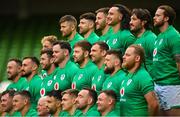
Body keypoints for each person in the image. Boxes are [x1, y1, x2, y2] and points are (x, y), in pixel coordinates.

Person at [152, 5, 180, 116]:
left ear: (166, 18)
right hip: (158, 84)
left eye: (158, 15)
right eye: (155, 15)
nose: (154, 17)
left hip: (171, 86)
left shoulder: (174, 35)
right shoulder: (159, 36)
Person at [120, 45, 159, 116]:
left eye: (127, 55)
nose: (123, 57)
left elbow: (154, 104)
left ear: (137, 58)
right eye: (124, 54)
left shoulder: (142, 76)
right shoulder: (127, 75)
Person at [130, 8, 157, 74]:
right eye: (130, 19)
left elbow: (158, 61)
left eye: (134, 19)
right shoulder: (136, 40)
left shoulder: (151, 38)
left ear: (143, 22)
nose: (130, 22)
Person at [102, 49, 126, 115]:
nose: (104, 63)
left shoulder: (123, 77)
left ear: (116, 62)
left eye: (107, 60)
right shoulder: (108, 79)